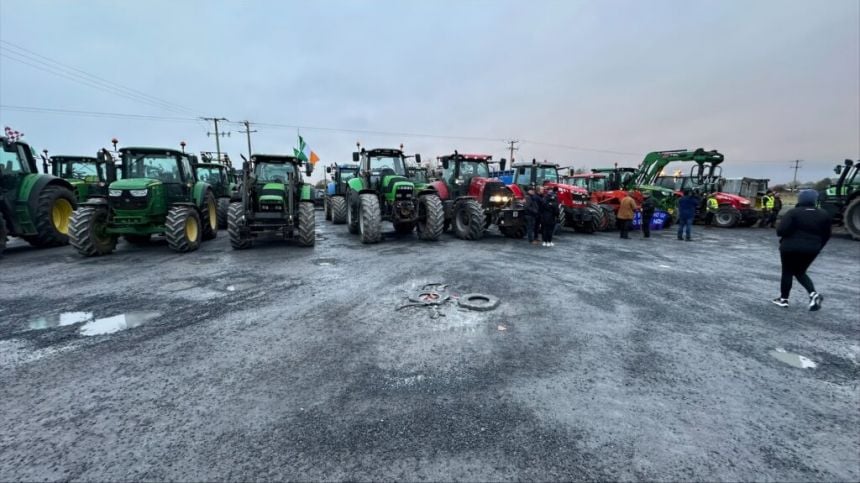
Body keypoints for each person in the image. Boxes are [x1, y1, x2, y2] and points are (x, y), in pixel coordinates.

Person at [772, 189, 831, 310]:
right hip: (812, 249)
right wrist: (818, 246)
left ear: (800, 199)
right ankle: (813, 294)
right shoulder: (823, 214)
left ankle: (784, 299)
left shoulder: (793, 213)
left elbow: (781, 231)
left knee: (787, 272)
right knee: (800, 272)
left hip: (790, 247)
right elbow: (827, 234)